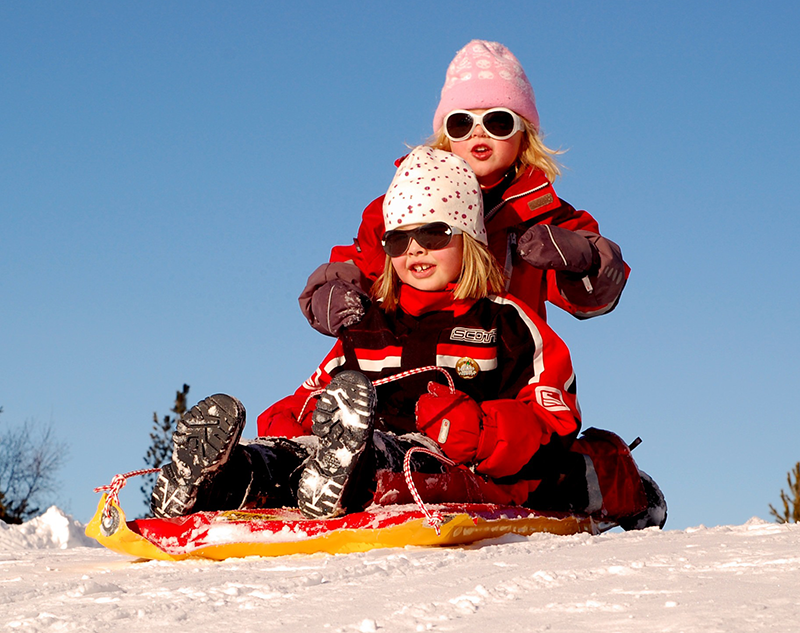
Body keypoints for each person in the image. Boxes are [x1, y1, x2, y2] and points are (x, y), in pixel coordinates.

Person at [150, 148, 665, 530]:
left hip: (450, 464)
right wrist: (290, 425)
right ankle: (222, 478)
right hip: (349, 451)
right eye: (399, 238)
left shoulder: (506, 322)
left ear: (469, 241)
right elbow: (309, 395)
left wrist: (479, 430)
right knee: (292, 457)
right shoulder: (371, 325)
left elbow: (553, 423)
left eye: (435, 233)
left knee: (398, 463)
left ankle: (343, 473)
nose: (415, 248)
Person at [300, 40, 629, 340]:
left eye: (498, 122)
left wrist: (583, 260)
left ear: (524, 133)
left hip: (506, 362)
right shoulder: (405, 203)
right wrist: (333, 290)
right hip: (415, 354)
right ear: (447, 135)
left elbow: (594, 299)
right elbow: (363, 260)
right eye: (462, 123)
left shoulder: (545, 215)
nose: (478, 133)